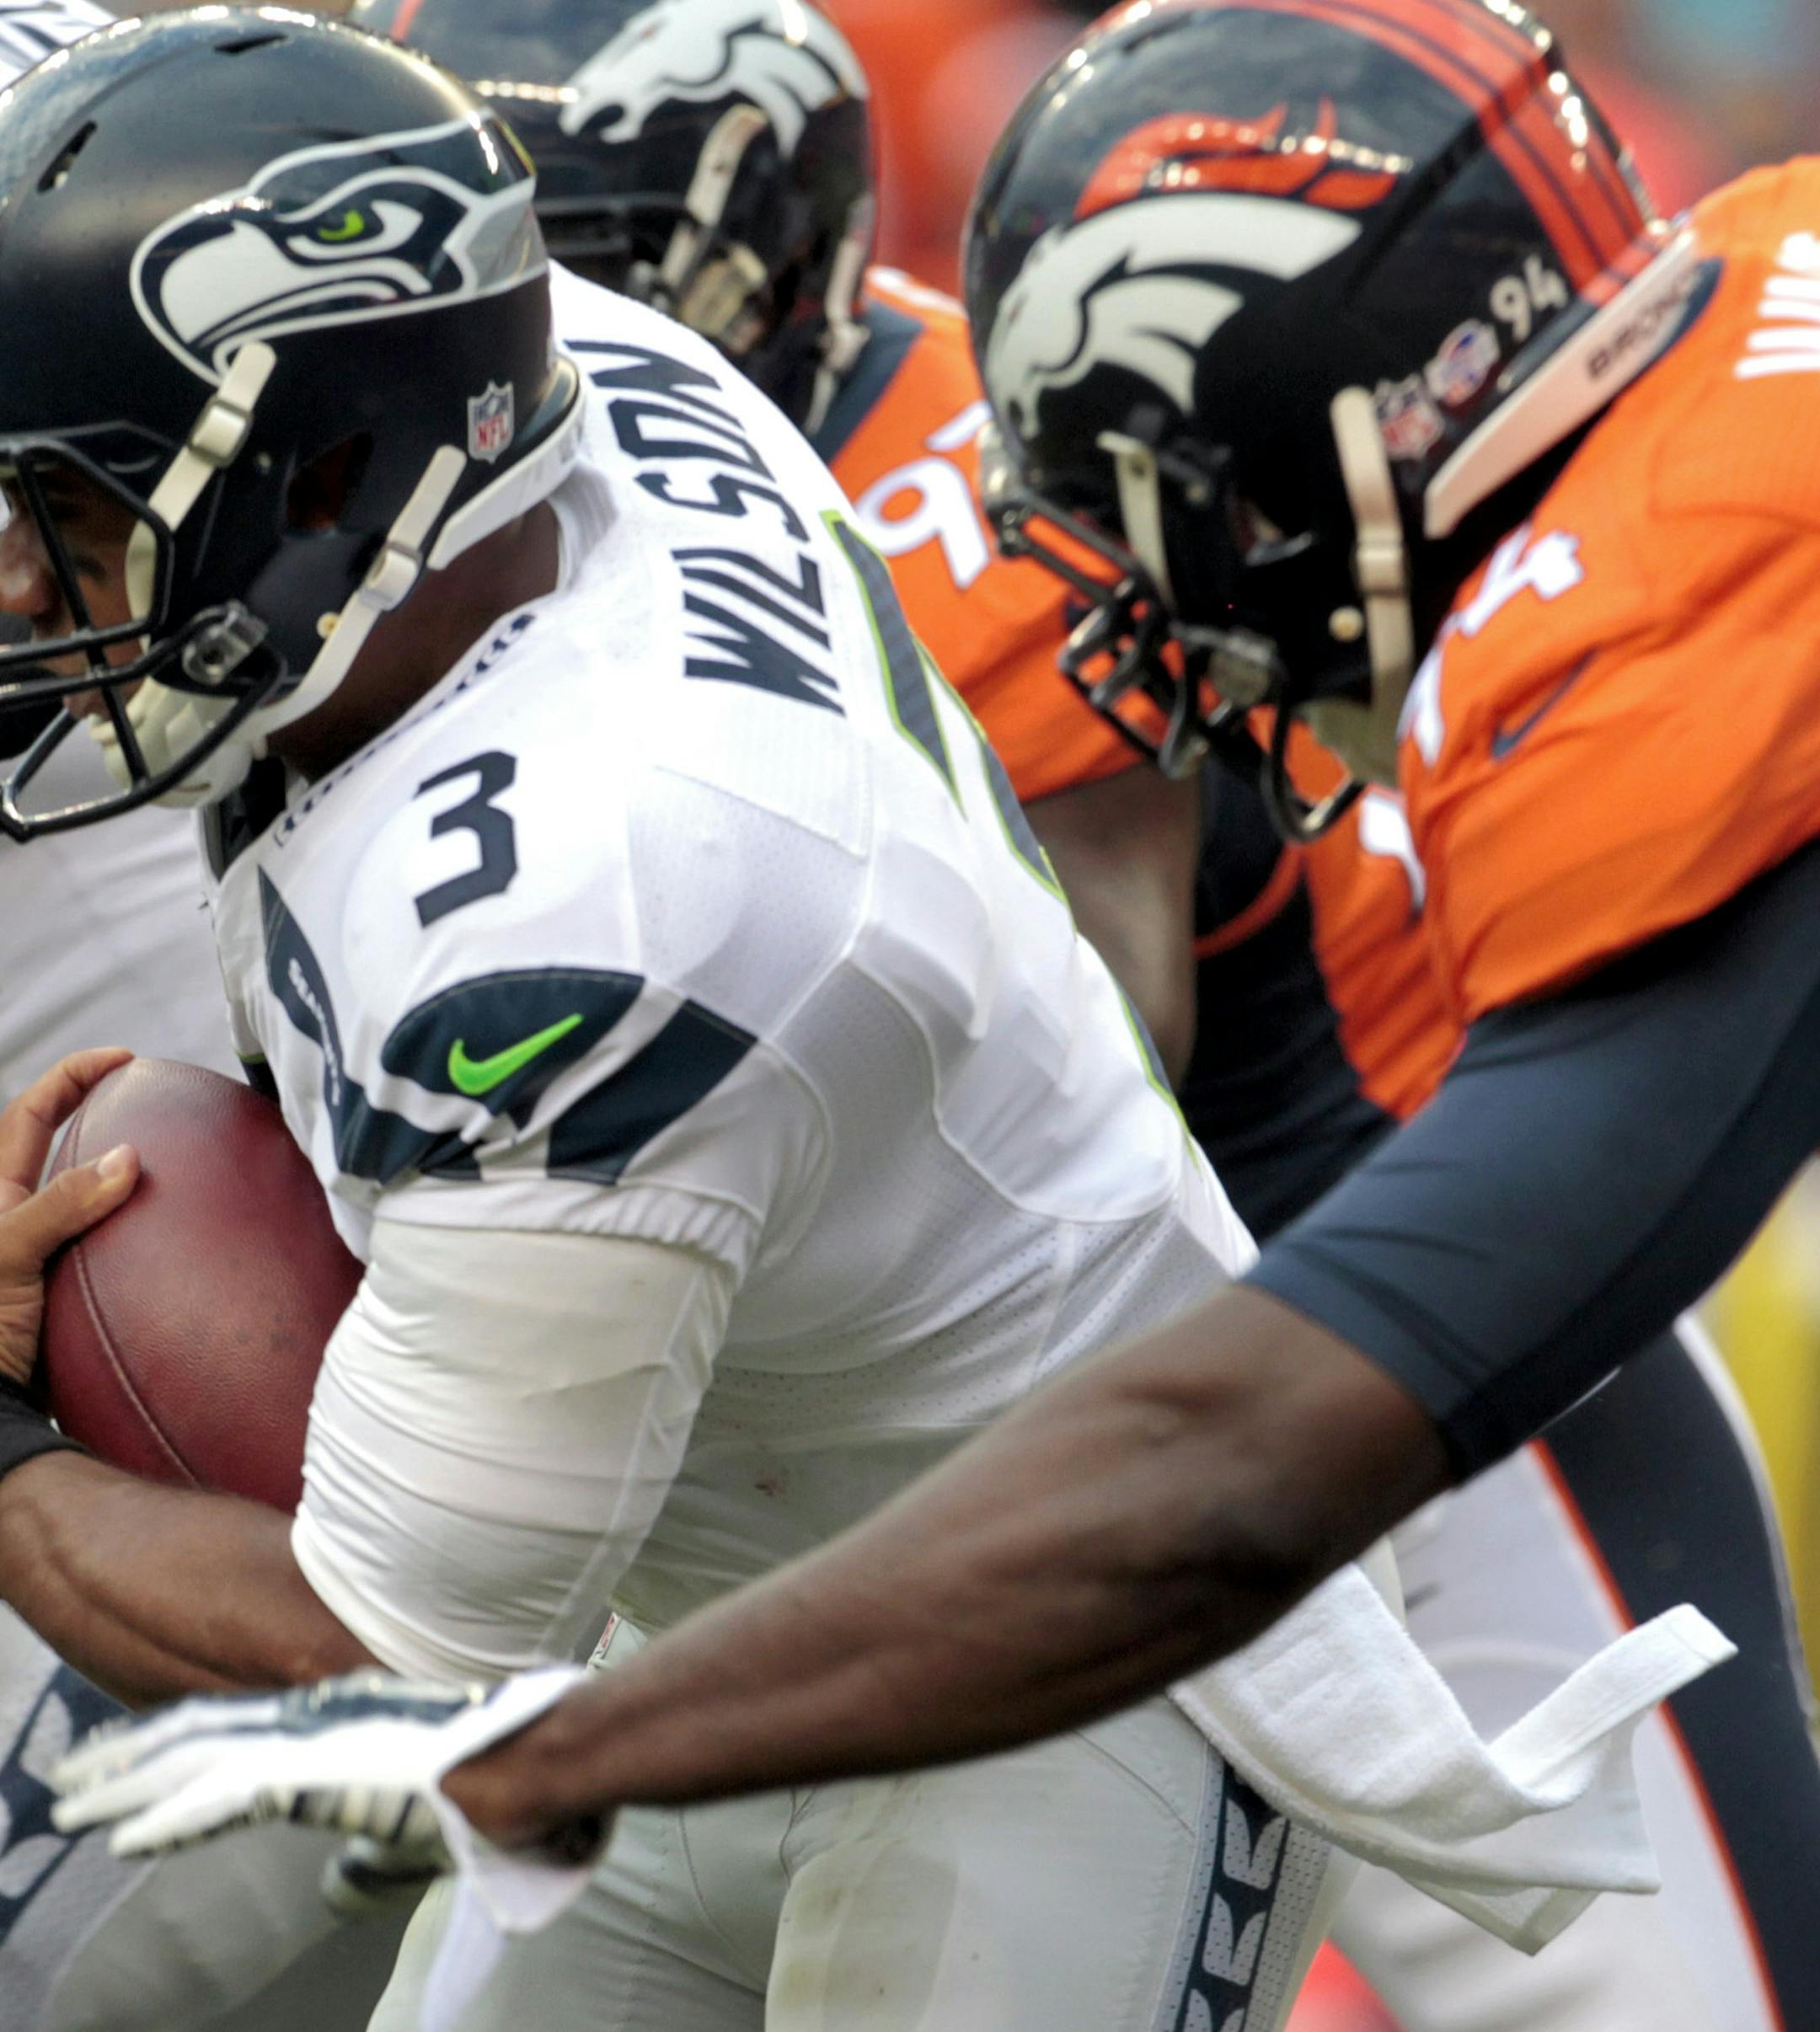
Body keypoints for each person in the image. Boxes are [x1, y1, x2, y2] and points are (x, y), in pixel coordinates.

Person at [54, 7, 1820, 2011]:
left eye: (1158, 506)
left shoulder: (1665, 639)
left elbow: (1222, 1426)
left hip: (1327, 1336)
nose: (1105, 590)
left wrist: (562, 1737)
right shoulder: (625, 416)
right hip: (945, 1422)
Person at [349, 0, 1203, 1077]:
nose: (473, 352)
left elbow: (1107, 1028)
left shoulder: (970, 502)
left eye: (563, 285)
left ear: (774, 259)